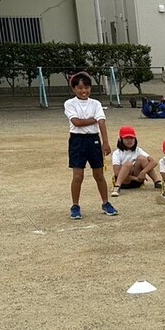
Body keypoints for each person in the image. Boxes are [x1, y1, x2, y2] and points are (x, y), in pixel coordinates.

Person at [64, 71, 118, 220]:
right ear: (74, 89)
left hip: (94, 140)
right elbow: (76, 122)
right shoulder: (69, 103)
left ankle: (106, 203)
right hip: (77, 141)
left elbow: (101, 121)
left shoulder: (96, 103)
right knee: (78, 176)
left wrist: (105, 142)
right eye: (80, 88)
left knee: (99, 175)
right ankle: (75, 206)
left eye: (87, 87)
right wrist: (93, 119)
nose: (84, 91)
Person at [111, 126, 162, 195]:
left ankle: (157, 182)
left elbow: (154, 162)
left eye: (132, 138)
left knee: (142, 159)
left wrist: (143, 172)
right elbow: (117, 173)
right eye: (126, 138)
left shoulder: (138, 150)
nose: (129, 141)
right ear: (120, 139)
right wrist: (135, 178)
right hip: (125, 181)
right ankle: (117, 187)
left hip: (138, 180)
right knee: (128, 164)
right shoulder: (117, 153)